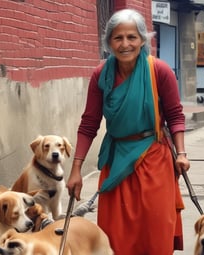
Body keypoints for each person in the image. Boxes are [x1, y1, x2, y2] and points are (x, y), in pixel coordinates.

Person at [66, 9, 190, 255]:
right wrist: (76, 170)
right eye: (118, 38)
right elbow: (89, 123)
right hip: (116, 162)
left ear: (143, 39)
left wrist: (182, 153)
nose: (125, 44)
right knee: (115, 237)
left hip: (154, 158)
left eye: (132, 37)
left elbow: (175, 115)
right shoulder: (101, 75)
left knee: (155, 233)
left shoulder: (159, 71)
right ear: (108, 42)